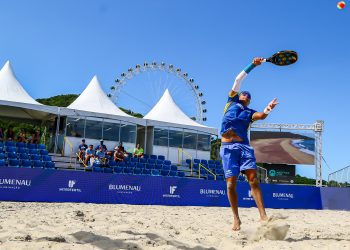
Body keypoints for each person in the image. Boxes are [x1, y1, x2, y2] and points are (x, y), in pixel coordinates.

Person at [220, 57, 279, 231]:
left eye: (248, 95)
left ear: (250, 100)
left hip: (244, 147)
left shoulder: (250, 112)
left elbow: (262, 116)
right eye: (243, 93)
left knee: (253, 180)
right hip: (228, 148)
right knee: (230, 184)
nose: (245, 94)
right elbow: (238, 79)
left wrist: (268, 108)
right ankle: (236, 219)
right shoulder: (231, 101)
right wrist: (253, 65)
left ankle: (263, 216)